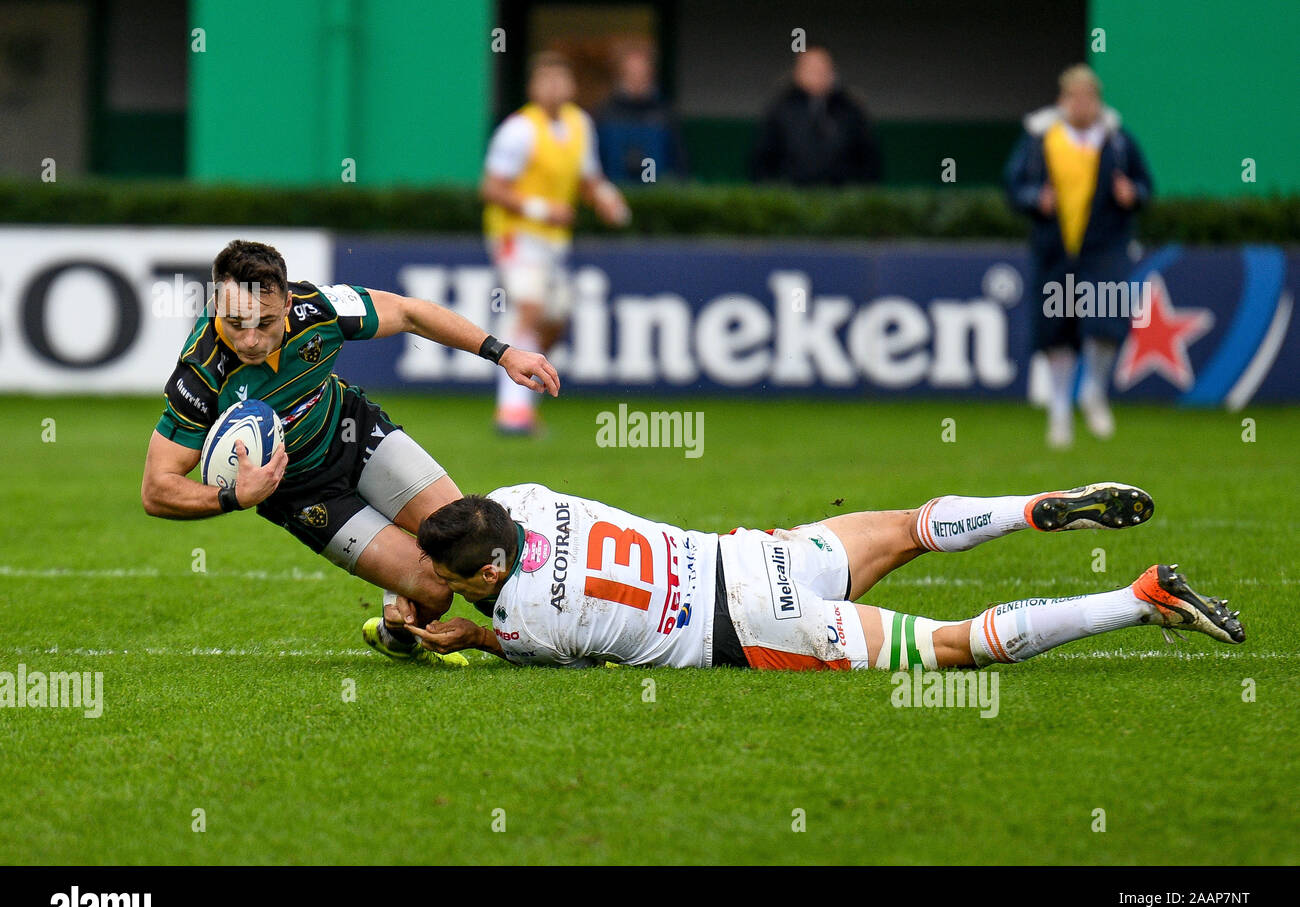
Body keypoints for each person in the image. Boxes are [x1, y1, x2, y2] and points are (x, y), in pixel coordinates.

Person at [140, 239, 559, 664]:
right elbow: (156, 489)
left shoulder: (318, 308)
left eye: (264, 323)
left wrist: (502, 353)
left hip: (356, 433)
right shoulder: (200, 375)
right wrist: (233, 497)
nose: (249, 340)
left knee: (470, 543)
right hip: (305, 494)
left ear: (287, 306)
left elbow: (411, 313)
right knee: (435, 590)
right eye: (234, 322)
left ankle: (562, 628)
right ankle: (395, 634)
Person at [387, 481, 1243, 670]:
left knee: (955, 648)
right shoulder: (523, 498)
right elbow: (481, 514)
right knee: (913, 528)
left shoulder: (524, 624)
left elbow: (560, 657)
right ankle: (1032, 507)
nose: (431, 574)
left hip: (758, 628)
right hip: (753, 554)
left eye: (445, 570)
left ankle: (1136, 598)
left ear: (492, 570)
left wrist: (467, 634)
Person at [1004, 64, 1154, 448]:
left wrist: (1132, 193)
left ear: (1097, 102)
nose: (1082, 105)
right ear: (1062, 100)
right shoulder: (1040, 139)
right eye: (1075, 97)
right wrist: (1034, 199)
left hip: (1103, 248)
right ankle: (1059, 409)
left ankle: (1093, 391)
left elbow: (1146, 186)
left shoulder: (1118, 141)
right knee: (1057, 331)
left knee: (1105, 320)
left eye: (1089, 98)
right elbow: (1014, 185)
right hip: (1056, 251)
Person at [481, 51, 630, 436]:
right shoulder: (519, 129)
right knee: (528, 310)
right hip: (518, 235)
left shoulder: (580, 125)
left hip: (554, 243)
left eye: (560, 79)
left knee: (555, 321)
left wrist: (608, 200)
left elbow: (588, 178)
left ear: (572, 86)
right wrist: (542, 209)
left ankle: (526, 401)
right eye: (546, 79)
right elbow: (492, 188)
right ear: (533, 87)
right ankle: (510, 412)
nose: (554, 87)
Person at [751, 46, 882, 186]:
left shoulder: (850, 109)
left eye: (823, 69)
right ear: (797, 73)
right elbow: (762, 159)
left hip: (840, 197)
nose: (818, 75)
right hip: (793, 197)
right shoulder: (780, 109)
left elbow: (868, 159)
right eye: (811, 69)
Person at [595, 44, 687, 183]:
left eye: (641, 73)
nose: (636, 78)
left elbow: (679, 160)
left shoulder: (664, 113)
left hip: (655, 195)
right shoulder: (604, 113)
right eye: (632, 73)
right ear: (622, 74)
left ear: (649, 74)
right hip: (615, 194)